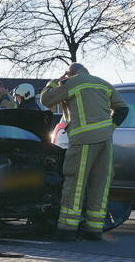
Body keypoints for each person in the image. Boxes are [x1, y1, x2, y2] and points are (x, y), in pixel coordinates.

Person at [40, 63, 128, 242]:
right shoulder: (103, 84)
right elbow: (123, 109)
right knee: (100, 183)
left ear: (71, 73)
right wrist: (110, 127)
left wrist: (54, 82)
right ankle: (94, 229)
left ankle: (67, 229)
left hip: (83, 140)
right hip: (106, 141)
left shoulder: (72, 83)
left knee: (76, 182)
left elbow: (46, 100)